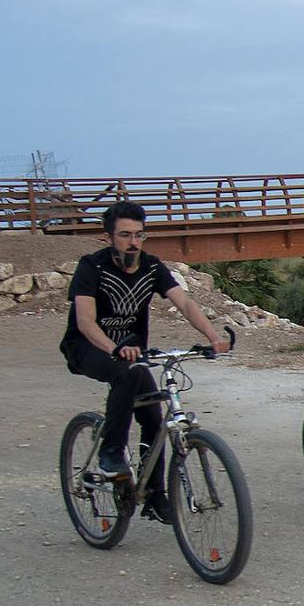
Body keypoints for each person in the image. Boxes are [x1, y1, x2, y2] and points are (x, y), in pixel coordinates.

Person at [59, 201, 229, 523]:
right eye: (125, 235)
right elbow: (85, 321)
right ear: (108, 237)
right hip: (86, 347)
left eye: (139, 235)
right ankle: (111, 454)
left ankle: (153, 494)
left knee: (153, 417)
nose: (133, 242)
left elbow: (184, 302)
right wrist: (114, 348)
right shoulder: (91, 267)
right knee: (125, 374)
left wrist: (213, 337)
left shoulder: (152, 268)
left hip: (131, 353)